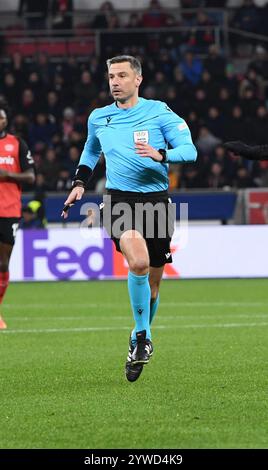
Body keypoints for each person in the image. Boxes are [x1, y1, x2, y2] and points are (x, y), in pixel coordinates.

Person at [62, 55, 197, 382]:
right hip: (119, 201)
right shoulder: (99, 117)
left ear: (138, 79)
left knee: (152, 287)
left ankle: (140, 335)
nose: (115, 81)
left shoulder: (158, 112)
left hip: (158, 204)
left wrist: (162, 154)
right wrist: (80, 182)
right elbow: (91, 150)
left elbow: (189, 150)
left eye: (122, 75)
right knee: (136, 262)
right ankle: (141, 337)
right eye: (111, 75)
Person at [0, 107, 35, 329]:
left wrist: (7, 175)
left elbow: (31, 176)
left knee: (3, 262)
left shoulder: (17, 144)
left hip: (9, 210)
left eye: (0, 118)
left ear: (5, 121)